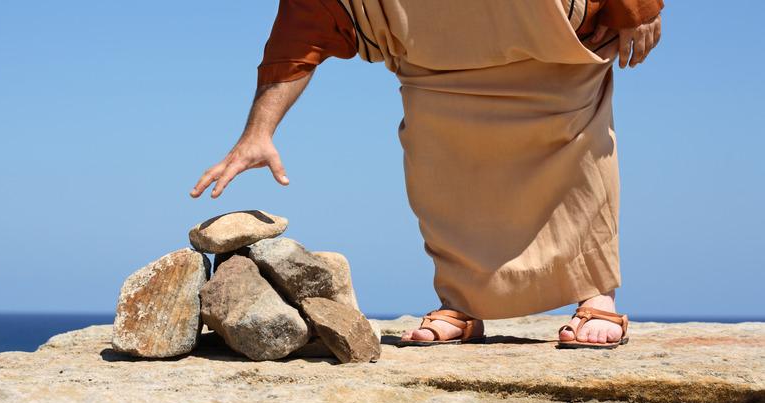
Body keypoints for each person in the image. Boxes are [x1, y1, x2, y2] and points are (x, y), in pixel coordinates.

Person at [191, 0, 663, 349]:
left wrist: (637, 7)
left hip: (554, 52)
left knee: (580, 161)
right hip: (436, 65)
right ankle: (463, 302)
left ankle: (596, 296)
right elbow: (308, 18)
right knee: (443, 172)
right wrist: (259, 131)